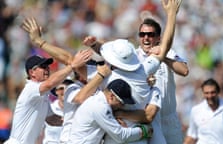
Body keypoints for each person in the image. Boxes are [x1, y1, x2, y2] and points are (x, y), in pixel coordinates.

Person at [20, 0, 181, 143]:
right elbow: (164, 47)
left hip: (116, 138)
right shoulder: (142, 71)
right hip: (138, 137)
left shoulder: (107, 76)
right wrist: (171, 15)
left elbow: (70, 60)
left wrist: (40, 42)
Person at [4, 51, 92, 144]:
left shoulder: (43, 94)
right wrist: (72, 66)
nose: (47, 69)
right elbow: (50, 84)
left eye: (47, 66)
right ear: (32, 72)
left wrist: (78, 122)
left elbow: (52, 119)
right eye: (43, 67)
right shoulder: (30, 88)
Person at [135, 18, 188, 144]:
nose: (146, 38)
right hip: (148, 118)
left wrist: (162, 56)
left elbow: (184, 71)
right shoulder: (134, 56)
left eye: (150, 35)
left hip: (169, 119)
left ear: (158, 38)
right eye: (142, 34)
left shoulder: (168, 53)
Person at [68, 79, 152, 144]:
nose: (122, 106)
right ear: (111, 96)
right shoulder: (101, 107)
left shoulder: (96, 101)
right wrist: (144, 131)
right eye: (121, 102)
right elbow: (120, 136)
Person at [184, 78, 223, 144]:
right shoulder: (196, 110)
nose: (210, 96)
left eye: (212, 92)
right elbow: (192, 136)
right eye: (206, 93)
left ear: (218, 92)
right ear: (203, 93)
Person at [42, 78, 74, 144]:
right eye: (61, 88)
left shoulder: (77, 110)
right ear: (56, 91)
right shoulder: (50, 107)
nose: (65, 91)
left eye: (68, 88)